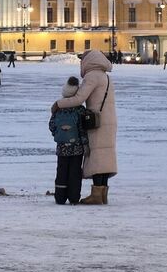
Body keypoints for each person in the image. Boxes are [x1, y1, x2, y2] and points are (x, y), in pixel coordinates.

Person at [53, 50, 117, 205]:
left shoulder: (92, 76)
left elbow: (79, 98)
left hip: (97, 122)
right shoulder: (105, 76)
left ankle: (96, 195)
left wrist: (58, 104)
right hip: (108, 120)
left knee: (97, 158)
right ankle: (102, 194)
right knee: (103, 157)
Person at [49, 76, 86, 205]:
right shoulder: (80, 109)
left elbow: (52, 126)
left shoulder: (58, 107)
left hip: (62, 147)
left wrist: (58, 137)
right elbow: (83, 129)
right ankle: (74, 196)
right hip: (77, 148)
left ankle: (60, 197)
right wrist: (85, 144)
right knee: (75, 172)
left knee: (61, 171)